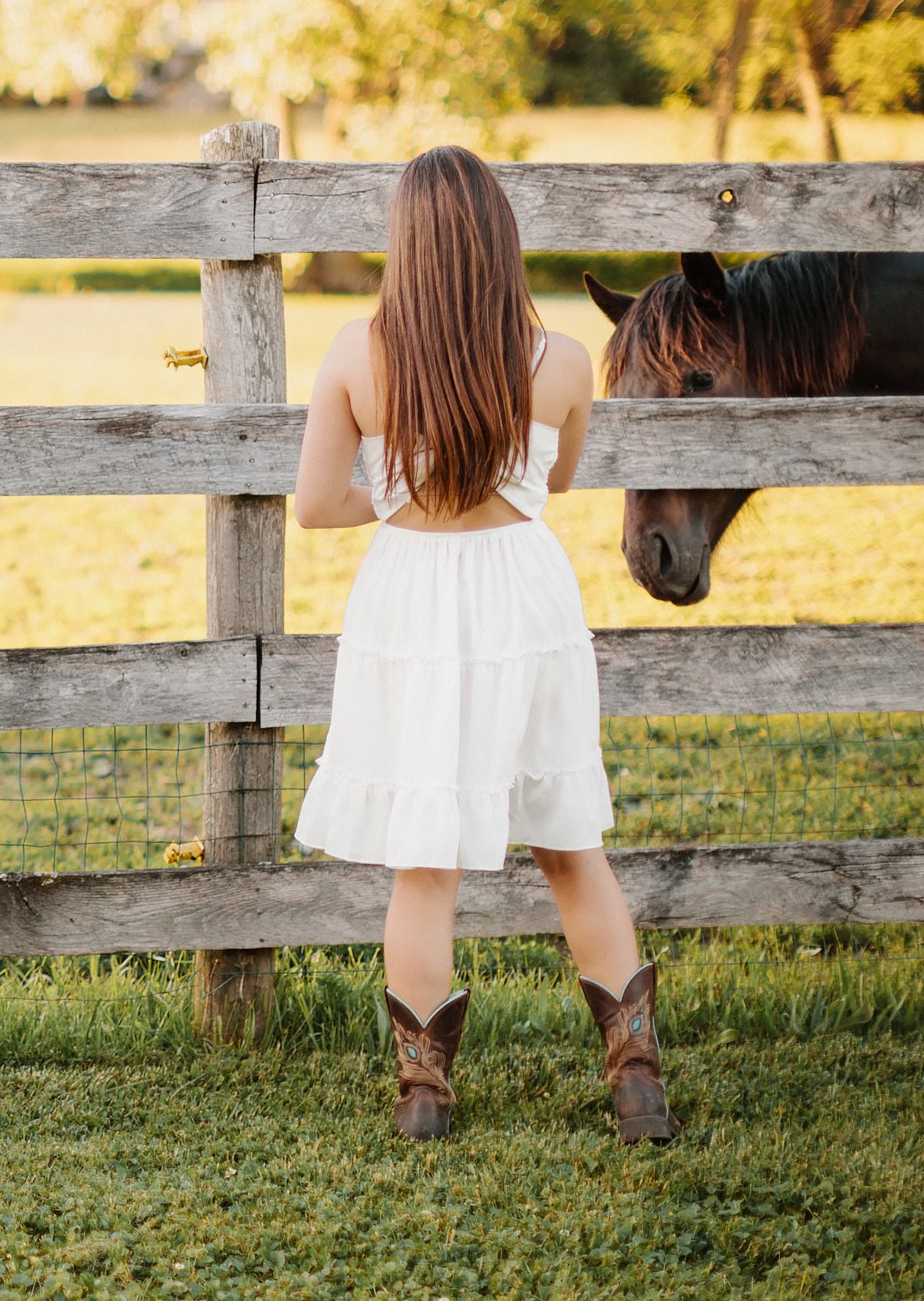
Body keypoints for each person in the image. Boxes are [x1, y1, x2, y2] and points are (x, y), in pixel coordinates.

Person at [291, 145, 682, 1146]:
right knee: (567, 841)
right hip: (523, 597)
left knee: (425, 862)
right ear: (501, 241)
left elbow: (312, 506)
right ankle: (634, 1077)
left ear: (406, 246)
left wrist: (392, 492)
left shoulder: (354, 354)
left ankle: (422, 1093)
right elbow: (551, 483)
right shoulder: (556, 362)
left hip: (410, 598)